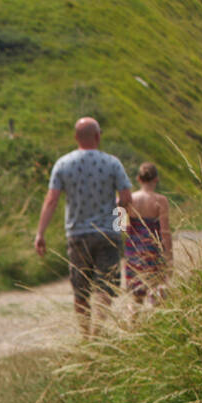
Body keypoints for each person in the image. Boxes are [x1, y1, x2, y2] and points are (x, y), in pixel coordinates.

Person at [34, 117, 133, 334]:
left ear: (75, 137)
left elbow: (51, 200)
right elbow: (126, 198)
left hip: (77, 234)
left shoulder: (63, 164)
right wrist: (118, 219)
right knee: (105, 285)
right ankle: (99, 330)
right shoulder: (112, 163)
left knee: (81, 290)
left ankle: (85, 334)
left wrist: (40, 233)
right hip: (108, 233)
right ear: (98, 137)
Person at [126, 162, 172, 306]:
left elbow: (118, 226)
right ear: (156, 179)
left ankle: (132, 325)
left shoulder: (130, 199)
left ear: (138, 179)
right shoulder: (161, 201)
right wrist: (169, 256)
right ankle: (155, 322)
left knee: (136, 296)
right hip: (153, 250)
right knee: (156, 289)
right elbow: (165, 231)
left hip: (134, 250)